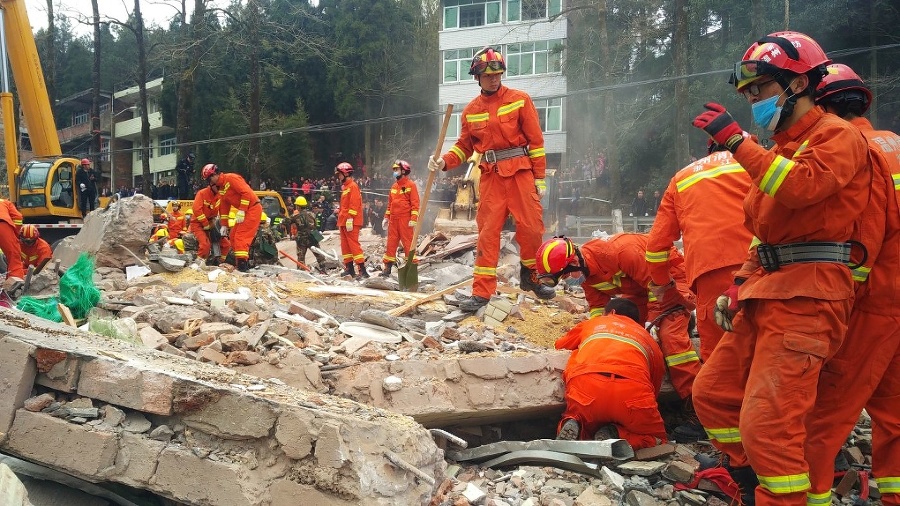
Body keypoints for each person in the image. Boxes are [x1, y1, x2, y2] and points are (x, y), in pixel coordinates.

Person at [689, 31, 871, 505]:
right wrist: (739, 283)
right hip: (767, 290)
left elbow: (800, 189)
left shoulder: (838, 136)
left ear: (799, 84)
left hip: (807, 298)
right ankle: (752, 482)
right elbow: (765, 232)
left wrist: (737, 142)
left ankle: (784, 495)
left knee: (768, 426)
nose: (754, 101)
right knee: (712, 394)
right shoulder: (785, 147)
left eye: (762, 90)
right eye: (748, 94)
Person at [803, 64, 900, 506]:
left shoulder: (852, 152)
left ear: (820, 107)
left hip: (873, 304)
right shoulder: (895, 144)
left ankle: (811, 497)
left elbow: (859, 245)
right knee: (895, 415)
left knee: (826, 414)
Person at [427, 47, 555, 310]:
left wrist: (539, 178)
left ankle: (530, 278)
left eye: (498, 74)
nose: (494, 79)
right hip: (491, 177)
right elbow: (464, 147)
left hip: (520, 173)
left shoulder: (520, 99)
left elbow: (537, 142)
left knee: (531, 228)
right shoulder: (471, 111)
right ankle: (482, 292)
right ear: (477, 77)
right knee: (487, 234)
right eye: (488, 75)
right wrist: (443, 162)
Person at [536, 234, 700, 408]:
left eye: (565, 276)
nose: (568, 280)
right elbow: (598, 307)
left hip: (671, 281)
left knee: (670, 337)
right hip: (643, 291)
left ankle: (695, 402)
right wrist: (599, 334)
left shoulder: (623, 252)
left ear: (575, 261)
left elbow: (657, 287)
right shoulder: (587, 273)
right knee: (624, 325)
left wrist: (652, 322)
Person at [645, 138, 754, 361]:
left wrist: (666, 289)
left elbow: (656, 248)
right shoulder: (759, 163)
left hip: (711, 275)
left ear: (709, 149)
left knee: (721, 363)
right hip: (763, 267)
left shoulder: (682, 177)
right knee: (770, 356)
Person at [555, 298, 668, 450]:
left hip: (586, 385)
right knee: (657, 440)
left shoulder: (594, 323)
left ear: (612, 312)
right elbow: (656, 379)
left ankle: (575, 422)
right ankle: (615, 435)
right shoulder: (648, 339)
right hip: (631, 393)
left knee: (581, 416)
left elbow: (560, 345)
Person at [201, 163, 261, 272]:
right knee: (233, 236)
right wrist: (224, 225)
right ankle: (240, 263)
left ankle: (243, 266)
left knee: (240, 236)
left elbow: (246, 192)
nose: (209, 183)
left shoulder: (231, 179)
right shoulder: (222, 188)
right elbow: (224, 207)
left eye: (209, 179)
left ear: (214, 175)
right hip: (246, 210)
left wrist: (242, 209)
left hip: (252, 209)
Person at [381, 160, 420, 278]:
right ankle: (387, 267)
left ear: (403, 171)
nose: (394, 172)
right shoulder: (394, 186)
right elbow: (390, 204)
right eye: (394, 170)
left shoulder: (410, 185)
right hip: (393, 220)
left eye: (396, 170)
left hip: (405, 219)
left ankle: (411, 268)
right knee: (391, 243)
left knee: (408, 243)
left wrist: (413, 218)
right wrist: (386, 218)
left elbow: (415, 203)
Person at [334, 162, 369, 279]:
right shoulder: (346, 188)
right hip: (344, 221)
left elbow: (354, 205)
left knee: (354, 245)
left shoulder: (353, 186)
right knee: (345, 246)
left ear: (345, 174)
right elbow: (345, 205)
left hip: (350, 221)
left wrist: (350, 219)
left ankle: (362, 270)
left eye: (339, 174)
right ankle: (349, 268)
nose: (338, 177)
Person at [190, 184, 230, 266]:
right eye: (217, 186)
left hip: (212, 222)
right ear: (211, 185)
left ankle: (220, 263)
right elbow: (196, 209)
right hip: (198, 223)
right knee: (205, 245)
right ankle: (198, 265)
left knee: (226, 244)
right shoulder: (202, 193)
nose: (219, 188)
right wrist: (205, 223)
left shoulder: (220, 195)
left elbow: (223, 211)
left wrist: (223, 225)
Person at [292, 196, 327, 272]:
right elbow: (315, 225)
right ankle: (323, 269)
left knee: (301, 257)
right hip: (313, 236)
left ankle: (301, 272)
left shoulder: (296, 216)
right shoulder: (312, 214)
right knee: (318, 254)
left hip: (302, 239)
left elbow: (287, 222)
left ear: (298, 206)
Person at [0, 199, 24, 282]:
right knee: (14, 256)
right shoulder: (5, 202)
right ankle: (15, 283)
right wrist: (15, 232)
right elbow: (18, 217)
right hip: (3, 226)